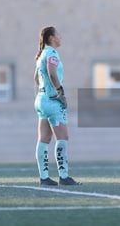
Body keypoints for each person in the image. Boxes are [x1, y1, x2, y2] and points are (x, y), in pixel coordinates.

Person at [33, 26, 82, 186]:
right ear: (52, 37)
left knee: (44, 139)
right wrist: (60, 91)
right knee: (63, 137)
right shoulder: (52, 53)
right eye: (58, 35)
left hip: (41, 100)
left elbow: (36, 78)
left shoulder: (41, 54)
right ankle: (64, 176)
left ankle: (44, 177)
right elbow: (52, 72)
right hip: (52, 100)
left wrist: (44, 88)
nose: (60, 37)